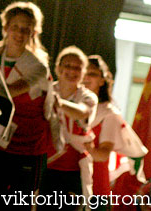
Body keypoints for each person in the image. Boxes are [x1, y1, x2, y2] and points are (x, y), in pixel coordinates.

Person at [0, 1, 56, 210]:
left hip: (29, 147)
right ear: (5, 28)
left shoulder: (38, 66)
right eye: (15, 28)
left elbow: (7, 92)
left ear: (33, 33)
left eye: (26, 30)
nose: (19, 34)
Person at [83, 55, 147, 205]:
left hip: (94, 189)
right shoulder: (67, 104)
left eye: (92, 74)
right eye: (83, 72)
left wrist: (85, 146)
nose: (86, 77)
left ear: (102, 80)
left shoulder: (109, 114)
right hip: (64, 177)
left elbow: (103, 154)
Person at [42, 45, 98, 208]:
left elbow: (82, 112)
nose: (72, 71)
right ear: (58, 68)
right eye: (68, 65)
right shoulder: (46, 91)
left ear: (83, 73)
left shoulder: (88, 96)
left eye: (77, 68)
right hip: (46, 165)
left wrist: (58, 103)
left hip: (73, 170)